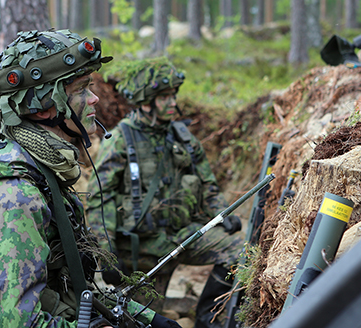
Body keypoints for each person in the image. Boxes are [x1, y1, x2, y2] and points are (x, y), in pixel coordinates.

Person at [0, 30, 181, 328]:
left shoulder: (43, 172)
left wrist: (147, 318)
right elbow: (15, 324)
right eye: (81, 89)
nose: (95, 99)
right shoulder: (12, 197)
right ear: (42, 106)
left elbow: (78, 289)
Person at [85, 57, 244, 328]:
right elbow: (101, 199)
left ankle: (208, 320)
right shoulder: (122, 139)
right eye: (165, 97)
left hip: (183, 236)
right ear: (146, 101)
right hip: (143, 252)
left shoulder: (182, 136)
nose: (173, 103)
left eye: (174, 96)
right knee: (144, 321)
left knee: (239, 252)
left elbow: (207, 184)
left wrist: (222, 212)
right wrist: (107, 255)